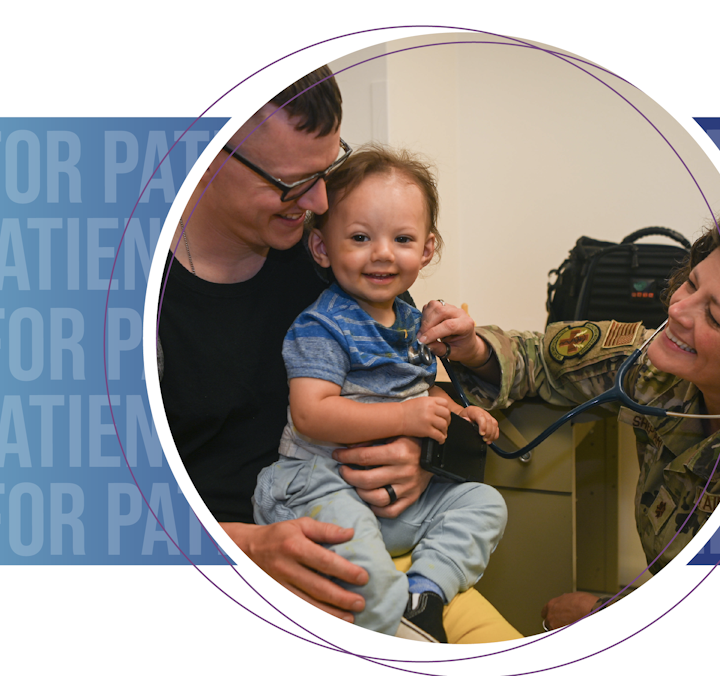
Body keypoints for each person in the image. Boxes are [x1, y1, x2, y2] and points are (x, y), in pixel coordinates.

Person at [157, 66, 519, 642]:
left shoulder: (339, 263)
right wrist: (249, 546)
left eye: (326, 170)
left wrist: (421, 448)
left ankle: (420, 601)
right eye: (293, 181)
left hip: (387, 530)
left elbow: (412, 388)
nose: (321, 200)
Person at [415, 212, 720, 631]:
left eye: (715, 317)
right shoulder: (654, 368)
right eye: (691, 283)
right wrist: (475, 349)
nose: (678, 310)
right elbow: (544, 358)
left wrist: (608, 613)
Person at [253, 146, 506, 642]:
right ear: (322, 248)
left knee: (484, 503)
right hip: (315, 487)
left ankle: (424, 594)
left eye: (403, 238)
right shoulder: (322, 325)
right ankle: (391, 624)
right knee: (366, 574)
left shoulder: (415, 322)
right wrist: (407, 420)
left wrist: (462, 414)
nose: (383, 253)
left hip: (389, 504)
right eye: (361, 237)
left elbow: (419, 393)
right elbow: (310, 414)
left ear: (427, 249)